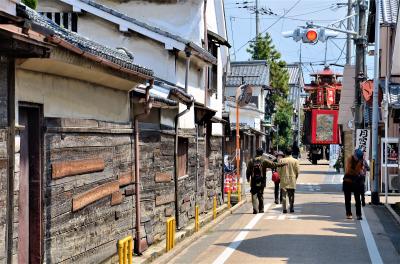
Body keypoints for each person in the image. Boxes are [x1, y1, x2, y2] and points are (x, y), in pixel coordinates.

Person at [246, 148, 283, 214]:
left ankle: (255, 209)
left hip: (254, 180)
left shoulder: (251, 161)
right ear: (262, 153)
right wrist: (282, 164)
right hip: (262, 180)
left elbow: (248, 171)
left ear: (256, 152)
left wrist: (248, 178)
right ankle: (261, 209)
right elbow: (273, 165)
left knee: (254, 194)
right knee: (260, 194)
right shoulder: (264, 160)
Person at [343, 148, 364, 220]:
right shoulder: (349, 159)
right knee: (347, 199)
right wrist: (358, 172)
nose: (357, 159)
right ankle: (348, 214)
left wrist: (360, 172)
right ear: (354, 155)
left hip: (356, 181)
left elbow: (361, 169)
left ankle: (359, 214)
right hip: (347, 181)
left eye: (359, 158)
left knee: (358, 199)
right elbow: (348, 170)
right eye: (357, 157)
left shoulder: (361, 160)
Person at [277, 147, 299, 213]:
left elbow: (278, 171)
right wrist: (295, 177)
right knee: (291, 195)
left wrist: (281, 177)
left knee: (284, 195)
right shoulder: (295, 161)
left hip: (284, 179)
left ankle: (284, 209)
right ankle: (291, 208)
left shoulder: (281, 160)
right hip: (292, 180)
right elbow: (297, 171)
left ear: (285, 153)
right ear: (291, 153)